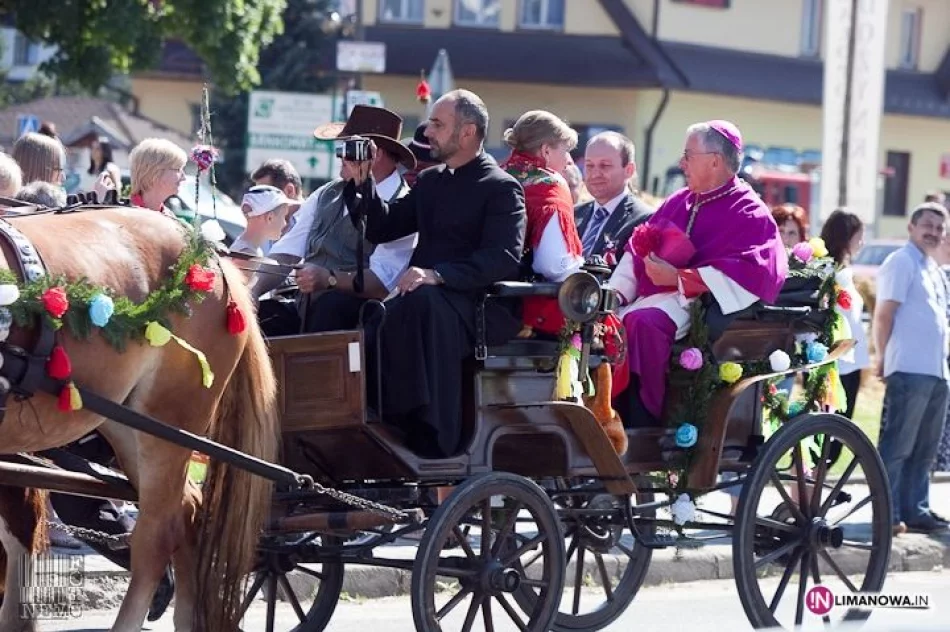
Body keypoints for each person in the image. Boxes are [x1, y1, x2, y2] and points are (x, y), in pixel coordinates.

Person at [344, 89, 525, 458]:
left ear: (467, 132)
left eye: (438, 125)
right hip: (429, 299)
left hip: (476, 303)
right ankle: (376, 419)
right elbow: (383, 228)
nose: (427, 132)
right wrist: (362, 182)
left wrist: (438, 274)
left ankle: (430, 433)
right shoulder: (431, 182)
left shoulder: (501, 187)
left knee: (421, 303)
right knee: (362, 311)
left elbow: (503, 256)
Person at [608, 120, 787, 427]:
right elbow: (639, 248)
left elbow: (756, 271)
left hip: (697, 305)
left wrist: (679, 279)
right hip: (653, 296)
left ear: (715, 160)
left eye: (688, 155)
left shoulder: (749, 211)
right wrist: (614, 293)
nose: (682, 163)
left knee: (641, 323)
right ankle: (604, 412)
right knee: (606, 322)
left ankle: (642, 420)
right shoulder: (679, 200)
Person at [251, 105, 418, 335]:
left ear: (374, 153)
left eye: (348, 147)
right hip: (306, 307)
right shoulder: (327, 193)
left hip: (357, 322)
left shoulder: (402, 206)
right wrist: (252, 290)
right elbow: (285, 254)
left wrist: (328, 279)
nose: (340, 155)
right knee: (257, 317)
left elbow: (380, 284)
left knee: (331, 306)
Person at [874, 202, 950, 535]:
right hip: (908, 368)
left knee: (924, 450)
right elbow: (884, 314)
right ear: (911, 226)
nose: (933, 232)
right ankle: (886, 513)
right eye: (928, 225)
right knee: (898, 447)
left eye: (939, 228)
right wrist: (883, 357)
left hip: (936, 372)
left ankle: (915, 510)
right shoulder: (901, 261)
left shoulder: (932, 268)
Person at [499, 110, 584, 337]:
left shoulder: (497, 175)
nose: (569, 161)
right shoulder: (551, 184)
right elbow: (553, 265)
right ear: (546, 150)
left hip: (480, 299)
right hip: (524, 313)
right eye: (565, 151)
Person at [576, 131, 653, 265]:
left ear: (629, 170)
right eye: (589, 165)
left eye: (604, 165)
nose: (595, 174)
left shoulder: (644, 220)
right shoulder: (573, 215)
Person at [820, 209, 869, 419]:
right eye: (859, 237)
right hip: (833, 361)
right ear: (846, 237)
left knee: (841, 430)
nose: (862, 242)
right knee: (826, 431)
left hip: (851, 360)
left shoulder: (845, 272)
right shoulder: (827, 272)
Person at [230, 185, 295, 257]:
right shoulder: (247, 253)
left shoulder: (251, 249)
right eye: (283, 216)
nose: (285, 223)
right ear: (270, 218)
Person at [128, 138, 187, 216]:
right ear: (155, 173)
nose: (184, 177)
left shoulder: (170, 217)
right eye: (178, 169)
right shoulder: (123, 215)